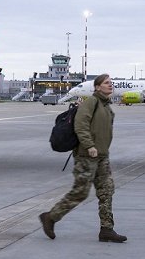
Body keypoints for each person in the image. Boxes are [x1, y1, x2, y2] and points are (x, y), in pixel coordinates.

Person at [39, 73, 127, 242]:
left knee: (107, 191)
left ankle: (106, 229)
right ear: (97, 87)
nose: (111, 85)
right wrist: (90, 146)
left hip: (102, 157)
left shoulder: (106, 106)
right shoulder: (90, 103)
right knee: (80, 193)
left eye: (111, 83)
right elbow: (81, 126)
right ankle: (50, 217)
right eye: (106, 83)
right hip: (86, 156)